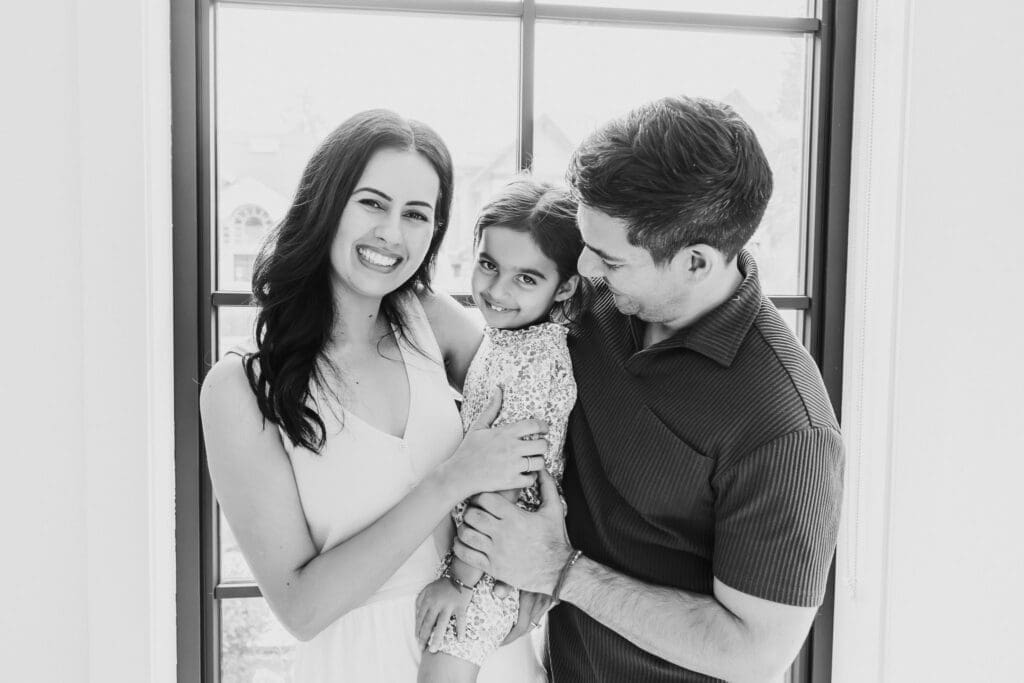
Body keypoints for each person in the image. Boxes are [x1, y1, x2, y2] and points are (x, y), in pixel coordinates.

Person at [452, 96, 845, 682]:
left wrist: (561, 572)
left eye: (608, 258)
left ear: (695, 263)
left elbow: (753, 652)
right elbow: (496, 340)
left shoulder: (787, 426)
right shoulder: (594, 295)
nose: (582, 268)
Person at [199, 109, 550, 682]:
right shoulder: (241, 387)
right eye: (371, 202)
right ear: (325, 204)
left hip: (491, 656)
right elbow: (300, 608)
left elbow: (549, 414)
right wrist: (451, 479)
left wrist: (550, 562)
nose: (392, 233)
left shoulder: (430, 322)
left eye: (416, 215)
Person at [414, 179, 584, 682]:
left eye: (526, 279)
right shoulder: (508, 338)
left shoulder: (531, 360)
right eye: (488, 264)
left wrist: (459, 582)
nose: (496, 290)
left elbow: (505, 483)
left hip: (494, 565)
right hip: (490, 557)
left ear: (566, 287)